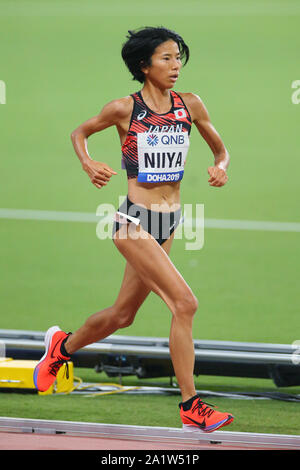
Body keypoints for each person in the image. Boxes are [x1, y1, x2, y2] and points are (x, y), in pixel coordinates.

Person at [33, 27, 233, 433]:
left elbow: (221, 149)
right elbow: (80, 132)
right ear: (144, 65)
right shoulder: (124, 108)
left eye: (178, 57)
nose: (175, 65)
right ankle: (191, 406)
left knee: (123, 315)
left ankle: (61, 348)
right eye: (166, 58)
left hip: (169, 221)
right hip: (133, 223)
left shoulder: (190, 105)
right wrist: (88, 163)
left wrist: (221, 168)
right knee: (185, 304)